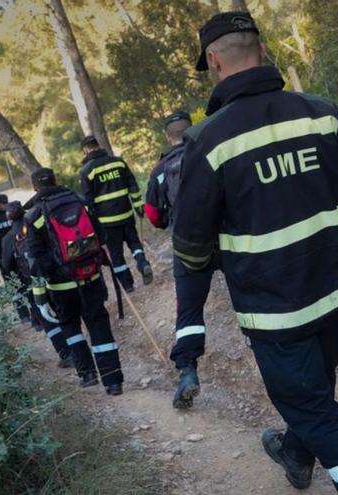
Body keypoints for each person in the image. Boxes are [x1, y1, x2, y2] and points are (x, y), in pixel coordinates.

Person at [172, 11, 338, 494]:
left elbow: (189, 245)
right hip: (331, 293)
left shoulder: (207, 141)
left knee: (315, 410)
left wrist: (216, 260)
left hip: (274, 310)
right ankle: (295, 454)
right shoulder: (321, 113)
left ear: (213, 61)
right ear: (264, 49)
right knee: (313, 394)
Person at [26, 167, 124, 395]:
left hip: (61, 288)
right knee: (99, 326)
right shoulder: (80, 201)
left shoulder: (34, 215)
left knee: (71, 328)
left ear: (35, 188)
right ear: (56, 179)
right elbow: (102, 235)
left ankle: (87, 375)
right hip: (91, 278)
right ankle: (113, 382)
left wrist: (56, 270)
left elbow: (36, 260)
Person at [145, 111, 211, 409]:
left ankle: (187, 371)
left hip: (186, 248)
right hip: (227, 241)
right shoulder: (211, 151)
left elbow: (153, 216)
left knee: (188, 313)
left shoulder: (160, 170)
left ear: (167, 136)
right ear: (191, 129)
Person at [78, 135, 152, 293]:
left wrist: (92, 226)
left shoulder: (86, 171)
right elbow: (132, 184)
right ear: (97, 145)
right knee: (134, 243)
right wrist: (138, 205)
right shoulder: (118, 162)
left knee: (116, 253)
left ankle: (128, 284)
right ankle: (143, 263)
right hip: (126, 214)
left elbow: (88, 201)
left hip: (107, 221)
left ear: (85, 150)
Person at [0, 201, 38, 326]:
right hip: (48, 270)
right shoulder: (35, 225)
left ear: (9, 218)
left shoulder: (8, 238)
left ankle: (38, 322)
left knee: (33, 299)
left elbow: (6, 264)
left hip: (28, 276)